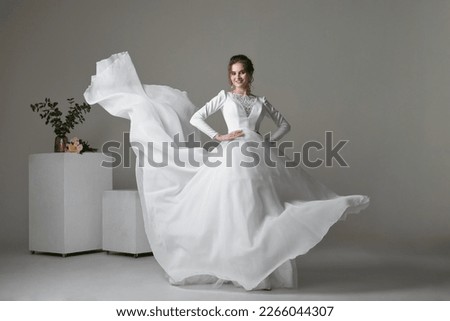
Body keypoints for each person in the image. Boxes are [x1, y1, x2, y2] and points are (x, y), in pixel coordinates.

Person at [84, 52, 369, 291]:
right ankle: (239, 266)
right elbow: (197, 118)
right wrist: (219, 136)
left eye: (242, 73)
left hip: (258, 151)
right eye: (233, 73)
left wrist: (267, 139)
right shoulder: (224, 98)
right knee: (235, 205)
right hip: (232, 153)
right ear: (229, 76)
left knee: (264, 206)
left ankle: (264, 267)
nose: (237, 78)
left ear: (250, 75)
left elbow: (285, 125)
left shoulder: (261, 102)